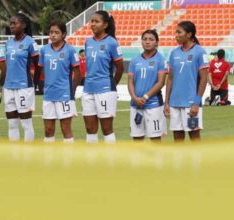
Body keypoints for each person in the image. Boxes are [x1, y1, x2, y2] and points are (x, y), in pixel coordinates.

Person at [82, 11, 124, 143]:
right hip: (88, 89)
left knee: (106, 129)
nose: (93, 24)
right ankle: (91, 160)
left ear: (105, 24)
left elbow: (120, 68)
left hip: (105, 89)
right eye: (91, 21)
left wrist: (111, 85)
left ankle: (110, 160)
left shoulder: (112, 42)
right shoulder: (88, 42)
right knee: (90, 128)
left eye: (96, 21)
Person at [164, 21, 208, 141]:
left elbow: (204, 78)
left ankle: (197, 160)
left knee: (194, 137)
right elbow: (170, 79)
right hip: (174, 103)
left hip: (191, 103)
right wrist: (166, 102)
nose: (176, 35)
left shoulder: (199, 51)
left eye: (179, 32)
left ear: (189, 34)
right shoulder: (174, 53)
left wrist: (196, 103)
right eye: (175, 32)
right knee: (177, 138)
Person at [38, 21, 81, 143]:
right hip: (48, 95)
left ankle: (67, 159)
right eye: (51, 32)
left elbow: (78, 73)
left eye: (56, 32)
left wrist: (72, 89)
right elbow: (43, 70)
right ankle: (49, 158)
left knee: (65, 128)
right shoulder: (44, 50)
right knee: (48, 130)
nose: (53, 35)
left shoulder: (70, 50)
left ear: (63, 34)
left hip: (64, 95)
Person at [4, 13, 40, 142]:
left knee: (26, 123)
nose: (11, 26)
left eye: (15, 23)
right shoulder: (8, 43)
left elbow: (38, 65)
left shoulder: (30, 42)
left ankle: (28, 154)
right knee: (12, 124)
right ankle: (15, 154)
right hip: (8, 87)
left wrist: (34, 84)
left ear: (23, 25)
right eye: (11, 23)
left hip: (24, 87)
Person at [128, 30, 167, 141]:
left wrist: (145, 97)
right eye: (145, 39)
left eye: (151, 39)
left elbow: (161, 82)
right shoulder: (134, 61)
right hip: (136, 105)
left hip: (153, 104)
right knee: (137, 139)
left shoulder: (160, 60)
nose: (147, 42)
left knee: (155, 139)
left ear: (157, 43)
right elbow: (130, 81)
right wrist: (134, 98)